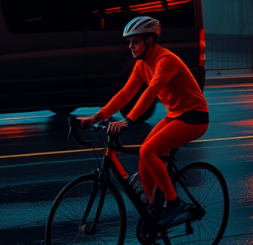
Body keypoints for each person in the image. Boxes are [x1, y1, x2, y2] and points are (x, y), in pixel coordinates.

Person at [79, 16, 209, 229]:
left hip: (195, 117)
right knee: (144, 159)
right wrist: (97, 117)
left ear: (149, 41)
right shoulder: (141, 65)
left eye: (135, 41)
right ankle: (153, 209)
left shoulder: (166, 60)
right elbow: (125, 93)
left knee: (147, 151)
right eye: (129, 42)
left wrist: (128, 120)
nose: (130, 46)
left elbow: (151, 91)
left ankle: (174, 202)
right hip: (175, 115)